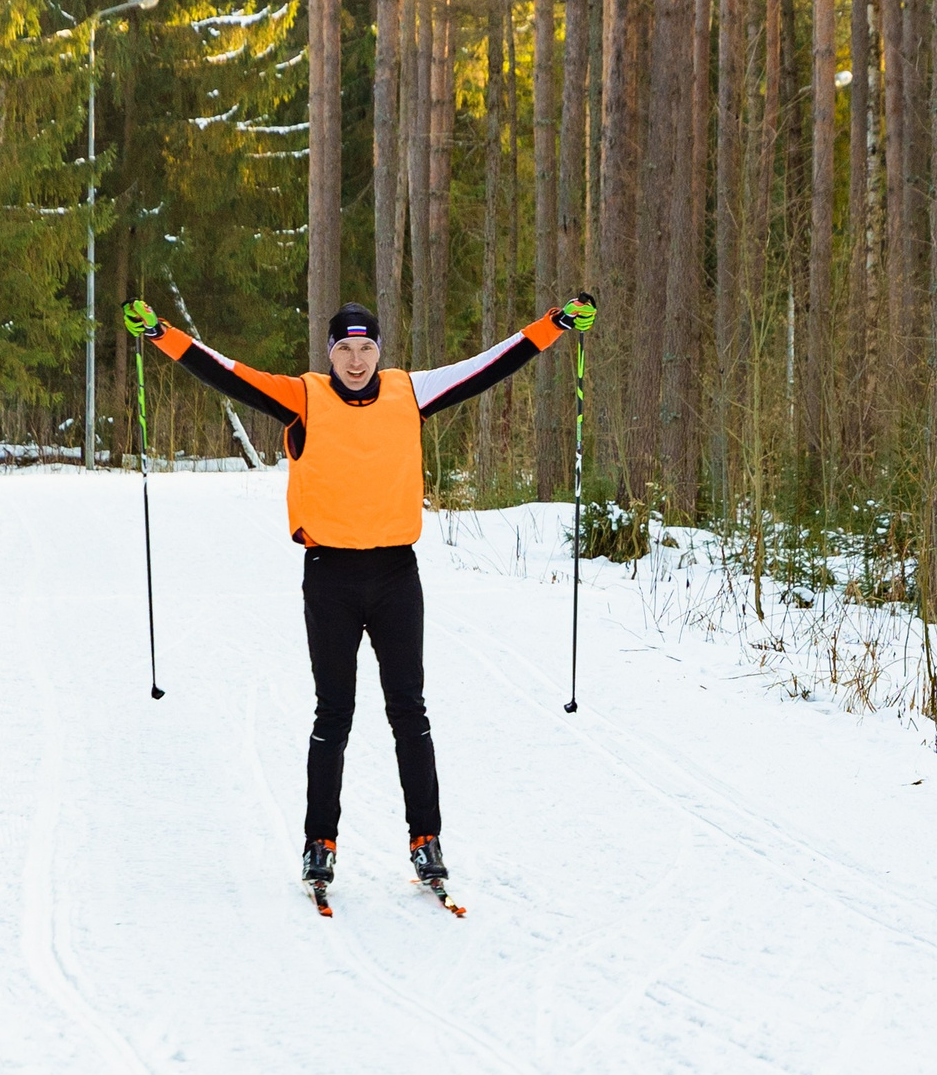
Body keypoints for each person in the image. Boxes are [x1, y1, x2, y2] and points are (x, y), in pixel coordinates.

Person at [121, 292, 596, 901]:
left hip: (397, 575)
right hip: (331, 577)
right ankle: (321, 843)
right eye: (344, 349)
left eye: (365, 348)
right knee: (334, 714)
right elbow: (226, 372)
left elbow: (491, 364)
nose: (355, 360)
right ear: (330, 353)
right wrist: (160, 333)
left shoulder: (410, 390)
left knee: (409, 712)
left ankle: (426, 840)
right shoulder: (305, 395)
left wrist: (555, 325)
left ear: (379, 351)